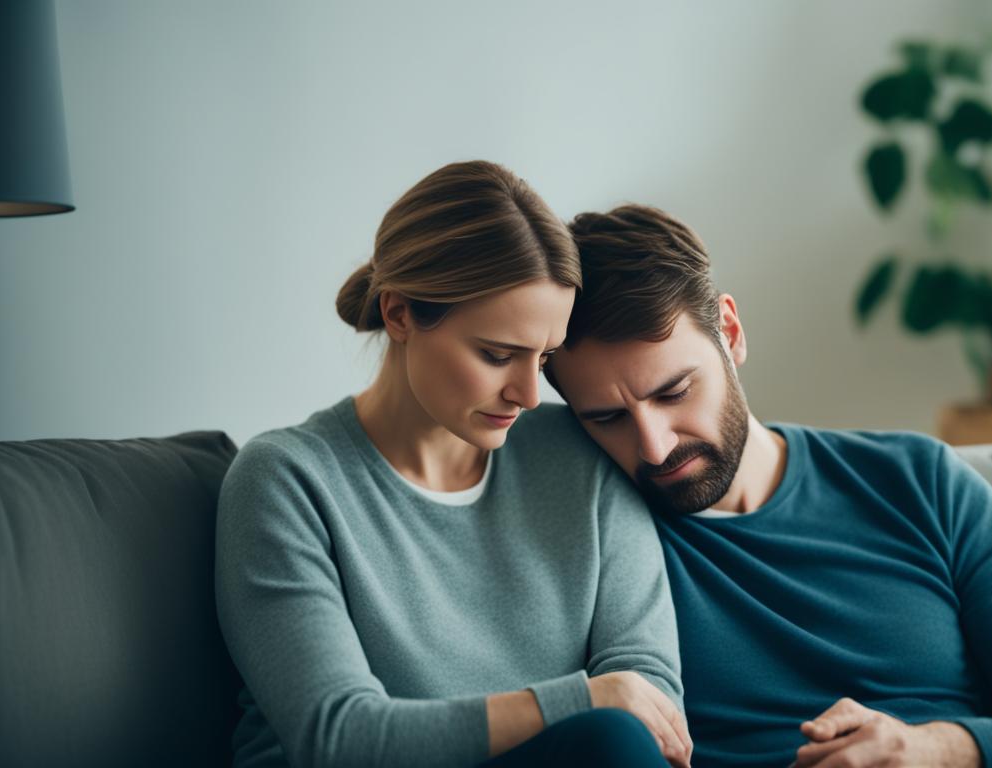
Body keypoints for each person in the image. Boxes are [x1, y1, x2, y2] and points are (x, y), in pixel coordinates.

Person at [543, 204, 992, 768]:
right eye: (607, 418)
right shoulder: (593, 546)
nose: (654, 445)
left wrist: (938, 750)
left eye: (674, 392)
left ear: (730, 334)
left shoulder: (916, 482)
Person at [214, 163, 692, 768]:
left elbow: (649, 696)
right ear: (399, 315)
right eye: (497, 355)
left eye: (543, 359)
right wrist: (575, 702)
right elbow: (337, 736)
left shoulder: (578, 455)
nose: (527, 393)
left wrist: (605, 709)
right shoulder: (287, 481)